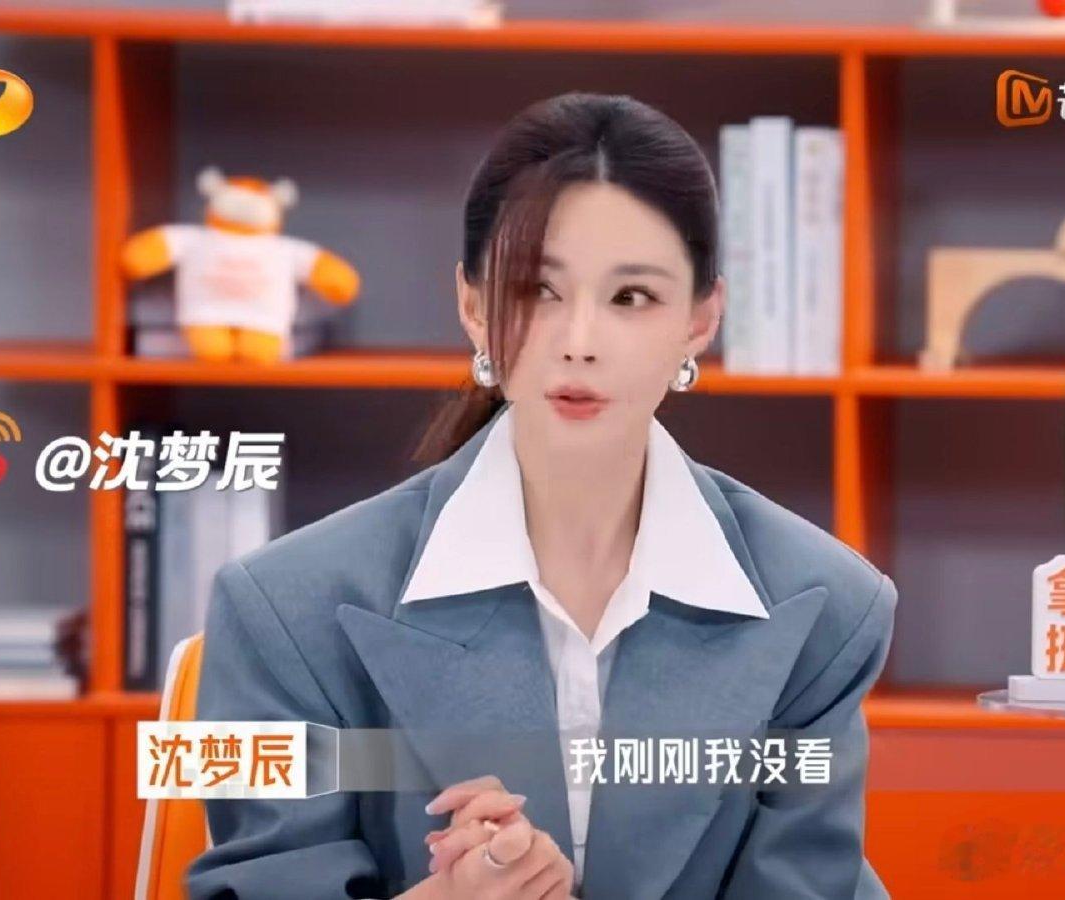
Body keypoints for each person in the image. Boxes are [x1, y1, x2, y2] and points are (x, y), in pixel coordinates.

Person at [186, 91, 897, 900]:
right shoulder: (283, 610)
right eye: (537, 291)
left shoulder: (826, 608)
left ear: (702, 319)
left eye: (631, 297)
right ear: (472, 306)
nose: (579, 343)